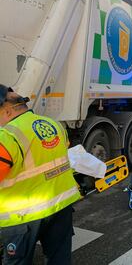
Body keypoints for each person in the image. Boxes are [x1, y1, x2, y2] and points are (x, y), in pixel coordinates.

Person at [0, 85, 80, 264]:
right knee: (59, 259)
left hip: (23, 215)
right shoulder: (53, 124)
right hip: (60, 205)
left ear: (7, 111)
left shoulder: (6, 136)